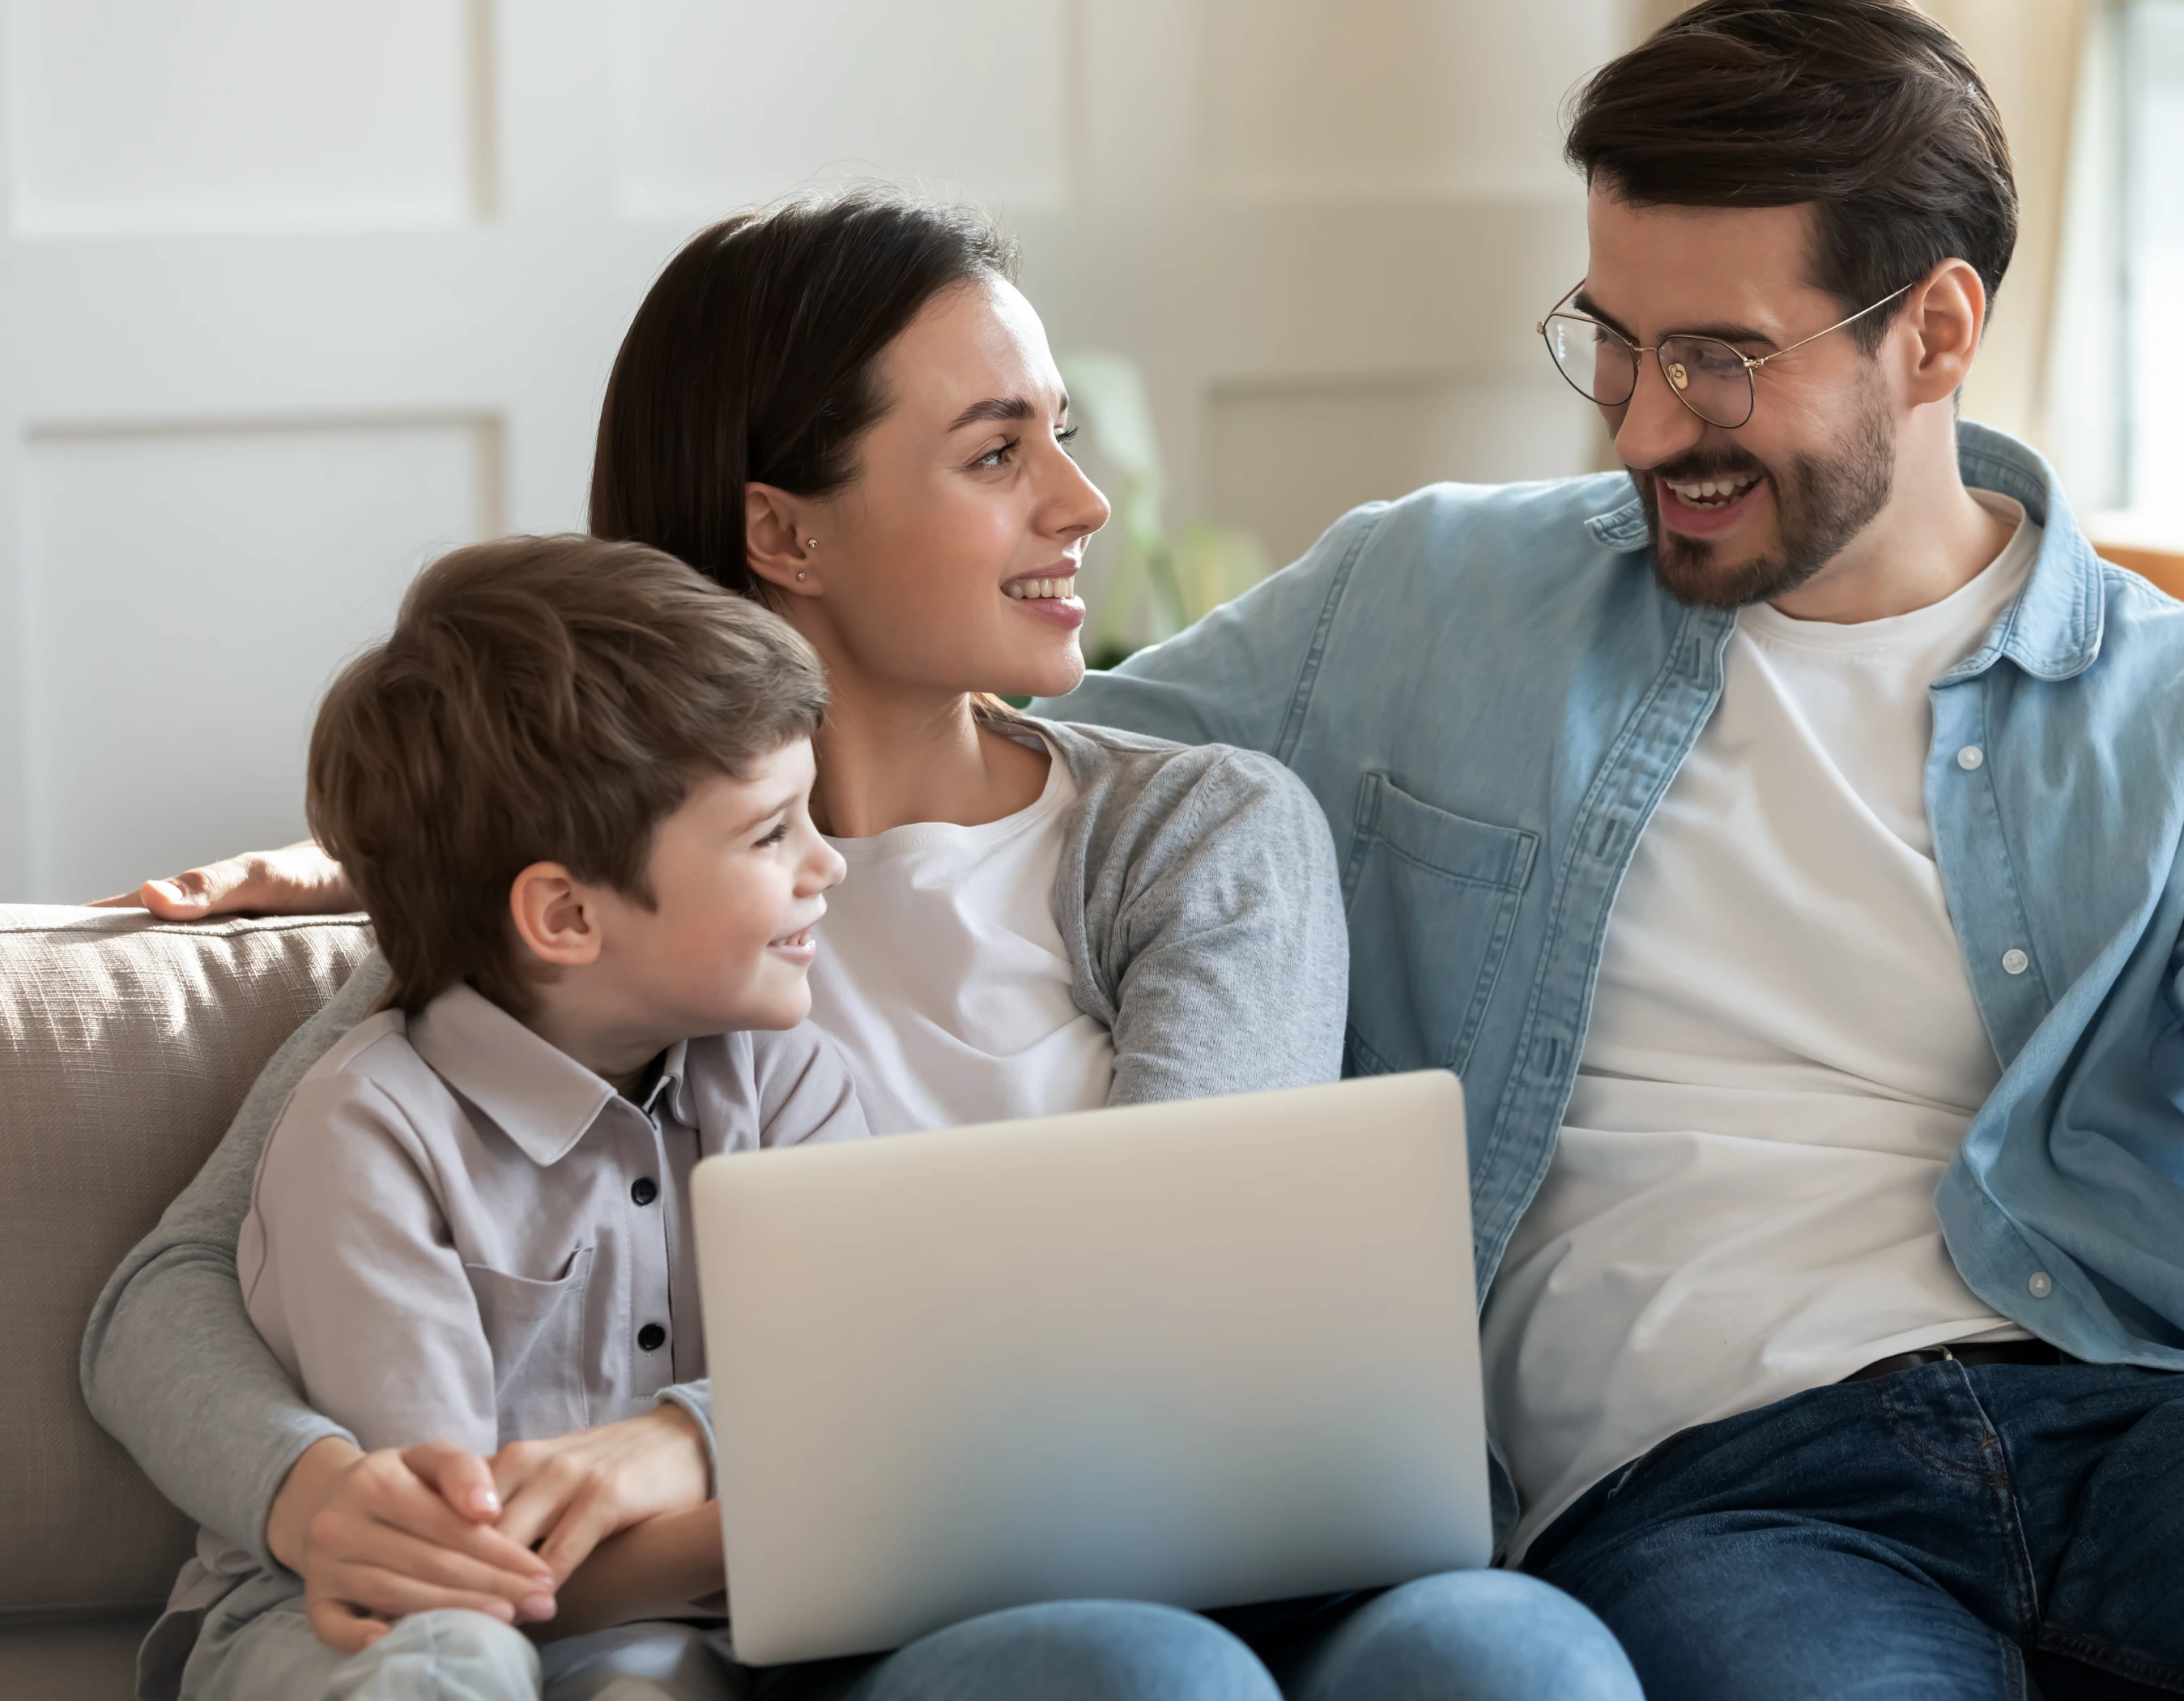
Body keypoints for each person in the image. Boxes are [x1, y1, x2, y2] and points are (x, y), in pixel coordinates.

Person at [89, 190, 1633, 1699]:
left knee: (1515, 1655)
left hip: (1213, 1534)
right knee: (1136, 1675)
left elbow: (1178, 1329)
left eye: (1063, 434)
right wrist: (310, 1496)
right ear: (783, 531)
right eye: (995, 451)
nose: (1080, 504)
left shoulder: (1194, 836)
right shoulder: (606, 902)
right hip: (887, 1602)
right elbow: (171, 1287)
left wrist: (690, 1437)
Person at [1042, 3, 2184, 1695]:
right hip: (1719, 1492)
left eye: (1715, 359)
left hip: (2133, 1420)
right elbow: (1012, 782)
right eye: (1612, 341)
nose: (1633, 429)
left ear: (1930, 329)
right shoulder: (1427, 601)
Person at [170, 535, 870, 1699]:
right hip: (364, 1618)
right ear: (564, 915)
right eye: (770, 834)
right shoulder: (371, 1132)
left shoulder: (788, 1075)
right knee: (451, 1666)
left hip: (681, 1632)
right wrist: (821, 1528)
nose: (828, 865)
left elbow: (860, 1383)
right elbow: (447, 1567)